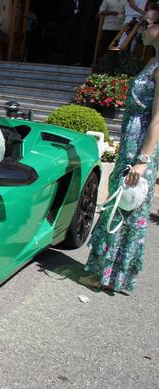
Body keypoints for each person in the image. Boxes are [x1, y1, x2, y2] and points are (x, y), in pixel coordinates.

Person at [83, 4, 159, 295]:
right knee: (120, 202)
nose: (140, 28)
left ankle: (113, 275)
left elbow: (158, 118)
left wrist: (142, 161)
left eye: (146, 24)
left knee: (126, 205)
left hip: (140, 149)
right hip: (131, 143)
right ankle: (106, 272)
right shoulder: (151, 60)